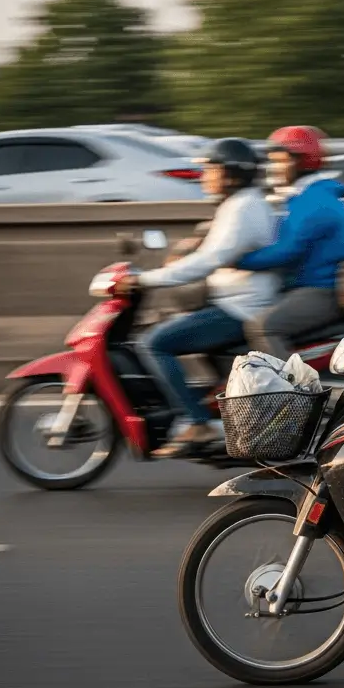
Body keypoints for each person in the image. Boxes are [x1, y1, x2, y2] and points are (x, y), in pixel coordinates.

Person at [116, 138, 277, 458]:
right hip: (231, 299)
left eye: (210, 169)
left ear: (231, 174)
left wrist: (145, 280)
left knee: (155, 342)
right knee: (169, 324)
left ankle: (196, 421)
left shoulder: (244, 208)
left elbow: (209, 260)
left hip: (239, 308)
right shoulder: (239, 204)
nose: (204, 175)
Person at [238, 125, 344, 360]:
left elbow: (286, 251)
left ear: (303, 161)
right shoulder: (303, 197)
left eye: (280, 161)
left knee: (263, 326)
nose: (274, 169)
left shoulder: (314, 201)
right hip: (303, 286)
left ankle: (287, 393)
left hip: (321, 290)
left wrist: (236, 260)